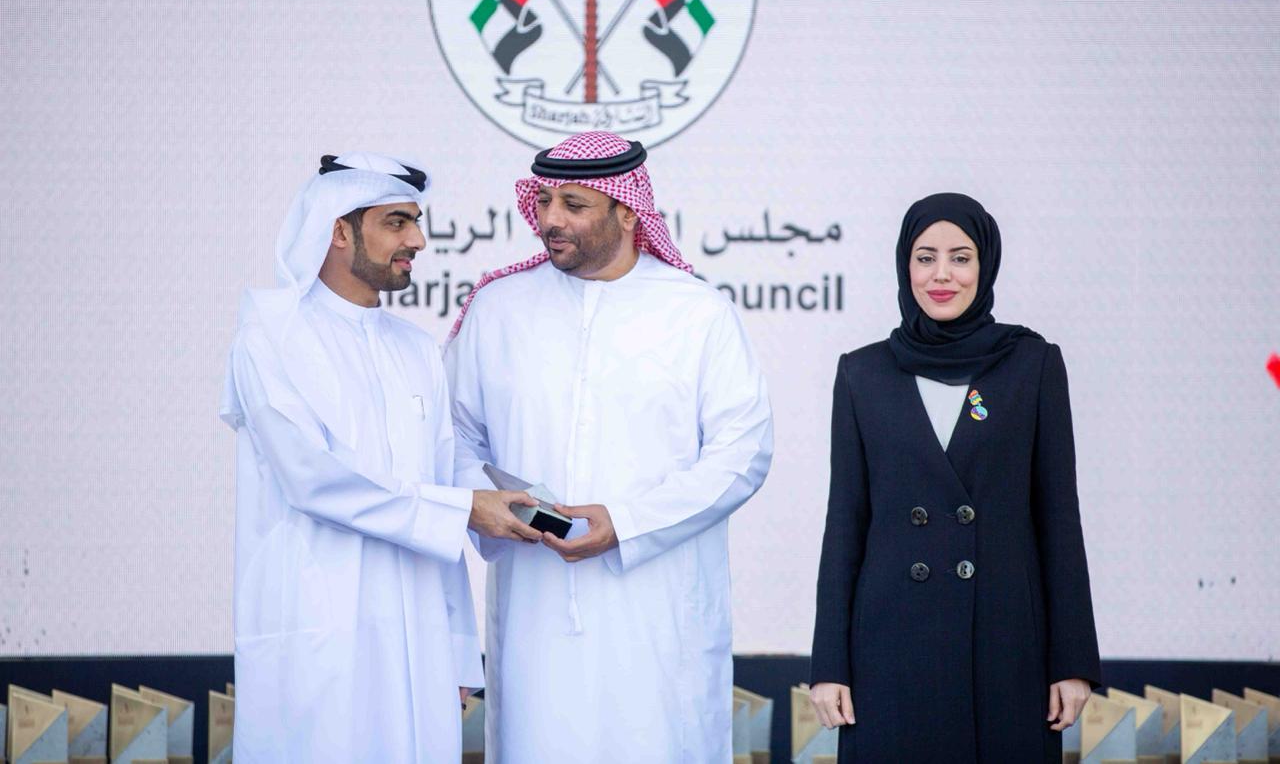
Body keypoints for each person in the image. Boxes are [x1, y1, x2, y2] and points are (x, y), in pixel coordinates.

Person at [444, 131, 774, 762]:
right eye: (544, 201)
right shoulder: (498, 307)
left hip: (658, 614)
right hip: (535, 608)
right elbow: (452, 433)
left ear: (628, 211)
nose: (550, 220)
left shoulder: (696, 312)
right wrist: (491, 503)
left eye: (574, 204)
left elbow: (743, 452)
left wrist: (627, 523)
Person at [219, 152, 541, 763]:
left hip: (418, 641)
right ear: (339, 230)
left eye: (416, 222)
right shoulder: (270, 338)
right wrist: (463, 507)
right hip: (320, 633)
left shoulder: (415, 349)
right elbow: (314, 480)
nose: (416, 240)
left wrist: (457, 647)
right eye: (396, 222)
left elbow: (443, 483)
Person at [808, 192, 1100, 762]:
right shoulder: (862, 373)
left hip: (1006, 645)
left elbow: (1059, 519)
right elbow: (845, 524)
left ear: (985, 265)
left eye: (960, 258)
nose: (941, 274)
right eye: (925, 258)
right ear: (905, 265)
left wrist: (1072, 661)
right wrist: (829, 664)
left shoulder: (1032, 364)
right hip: (888, 648)